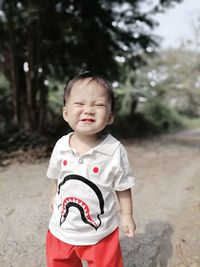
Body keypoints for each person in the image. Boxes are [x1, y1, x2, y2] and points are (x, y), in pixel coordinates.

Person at [46, 71, 136, 267]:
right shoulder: (61, 145)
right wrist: (54, 195)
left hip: (101, 234)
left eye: (98, 105)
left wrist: (127, 215)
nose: (88, 110)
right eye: (79, 104)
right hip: (62, 231)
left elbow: (123, 186)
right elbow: (57, 177)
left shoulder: (114, 151)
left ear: (110, 116)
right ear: (66, 113)